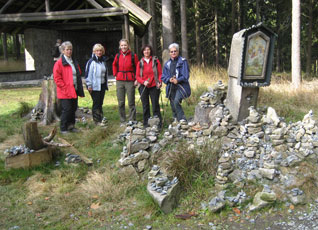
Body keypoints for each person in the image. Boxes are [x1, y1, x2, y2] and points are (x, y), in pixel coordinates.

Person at [53, 41, 85, 134]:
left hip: (74, 89)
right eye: (67, 49)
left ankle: (71, 126)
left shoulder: (73, 61)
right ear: (63, 51)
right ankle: (63, 128)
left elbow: (78, 73)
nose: (69, 51)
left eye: (70, 49)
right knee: (67, 110)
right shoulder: (59, 63)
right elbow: (57, 78)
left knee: (73, 108)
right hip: (65, 91)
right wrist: (65, 88)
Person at [161, 43, 191, 122]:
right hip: (171, 87)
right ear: (169, 53)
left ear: (178, 51)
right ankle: (176, 121)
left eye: (175, 51)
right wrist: (169, 79)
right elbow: (163, 77)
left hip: (181, 86)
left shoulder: (183, 62)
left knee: (176, 101)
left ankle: (182, 120)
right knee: (172, 104)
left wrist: (178, 80)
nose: (173, 53)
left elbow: (186, 75)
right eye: (171, 51)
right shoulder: (167, 64)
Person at [112, 39, 139, 124]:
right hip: (120, 80)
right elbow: (114, 65)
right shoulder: (118, 56)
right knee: (121, 102)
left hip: (130, 80)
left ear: (128, 46)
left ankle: (132, 119)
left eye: (125, 45)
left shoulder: (133, 55)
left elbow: (137, 67)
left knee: (131, 101)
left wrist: (136, 78)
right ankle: (122, 120)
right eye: (122, 45)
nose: (123, 47)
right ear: (120, 46)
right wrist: (115, 74)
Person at [136, 45, 162, 128]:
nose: (146, 51)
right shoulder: (140, 62)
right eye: (145, 50)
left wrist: (159, 82)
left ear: (150, 51)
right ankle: (146, 123)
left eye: (148, 50)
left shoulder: (156, 61)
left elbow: (160, 73)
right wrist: (143, 82)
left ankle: (157, 122)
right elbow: (137, 76)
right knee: (145, 105)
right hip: (143, 86)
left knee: (155, 104)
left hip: (154, 85)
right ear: (142, 52)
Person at [85, 43, 108, 125]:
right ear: (94, 52)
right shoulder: (91, 62)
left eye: (100, 51)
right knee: (96, 103)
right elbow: (88, 75)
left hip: (102, 85)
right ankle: (96, 121)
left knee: (100, 103)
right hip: (94, 86)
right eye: (97, 51)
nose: (99, 52)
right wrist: (89, 85)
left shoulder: (103, 61)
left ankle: (101, 118)